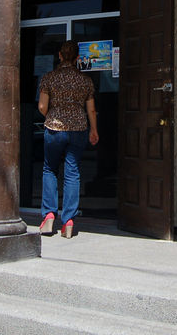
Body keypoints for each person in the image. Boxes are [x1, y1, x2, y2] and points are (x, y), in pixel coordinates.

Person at [37, 40, 99, 238]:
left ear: (60, 55)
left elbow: (42, 106)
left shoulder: (49, 78)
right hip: (78, 129)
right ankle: (69, 221)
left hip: (54, 129)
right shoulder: (85, 80)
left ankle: (49, 216)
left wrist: (51, 116)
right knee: (72, 172)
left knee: (50, 169)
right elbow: (91, 109)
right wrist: (94, 130)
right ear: (78, 58)